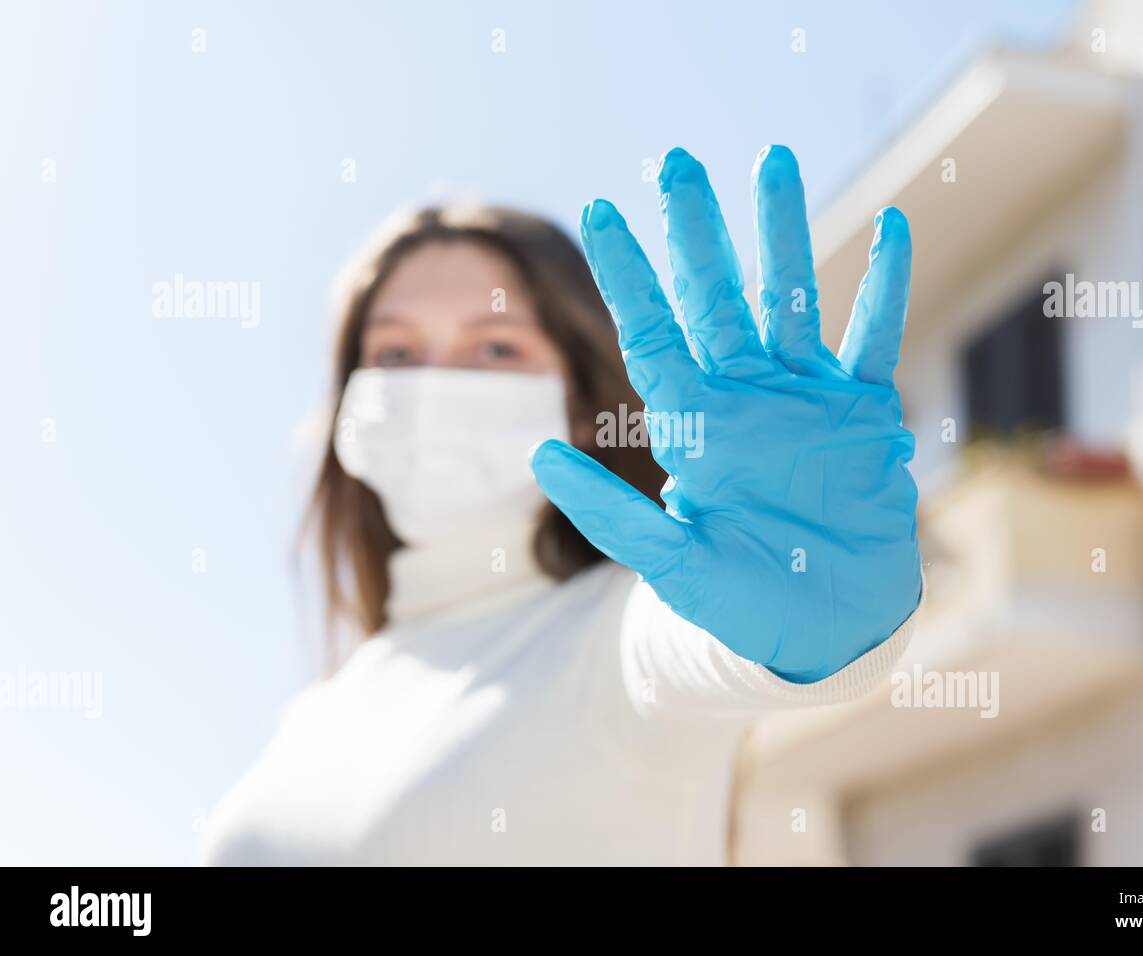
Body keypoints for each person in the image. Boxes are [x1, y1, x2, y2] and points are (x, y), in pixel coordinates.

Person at [199, 146, 924, 865]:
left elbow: (682, 650)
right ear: (350, 402)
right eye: (395, 354)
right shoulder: (314, 716)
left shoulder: (617, 630)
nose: (437, 383)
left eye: (495, 350)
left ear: (580, 407)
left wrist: (816, 613)